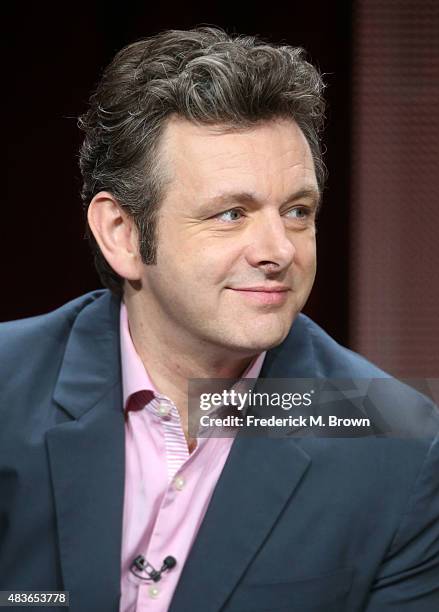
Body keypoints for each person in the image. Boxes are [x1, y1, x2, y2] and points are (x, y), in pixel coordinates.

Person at [0, 27, 438, 612]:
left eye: (297, 211)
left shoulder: (401, 439)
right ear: (123, 234)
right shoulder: (6, 385)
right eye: (231, 214)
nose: (279, 250)